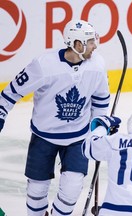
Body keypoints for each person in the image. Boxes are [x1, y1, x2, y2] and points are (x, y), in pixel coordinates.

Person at [0, 19, 110, 215]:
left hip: (78, 138)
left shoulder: (97, 65)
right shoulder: (44, 66)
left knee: (72, 189)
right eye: (90, 42)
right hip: (44, 136)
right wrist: (1, 113)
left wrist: (99, 128)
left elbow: (100, 100)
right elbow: (12, 91)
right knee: (36, 190)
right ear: (77, 44)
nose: (95, 46)